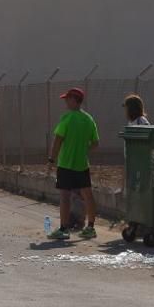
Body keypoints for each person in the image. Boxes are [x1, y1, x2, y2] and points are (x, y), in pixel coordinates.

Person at [47, 87, 99, 240]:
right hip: (82, 164)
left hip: (66, 164)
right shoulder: (88, 119)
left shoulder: (67, 118)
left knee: (64, 195)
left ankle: (64, 229)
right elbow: (96, 143)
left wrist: (51, 159)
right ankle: (90, 227)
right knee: (88, 195)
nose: (65, 102)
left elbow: (58, 140)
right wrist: (82, 149)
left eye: (67, 99)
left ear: (73, 100)